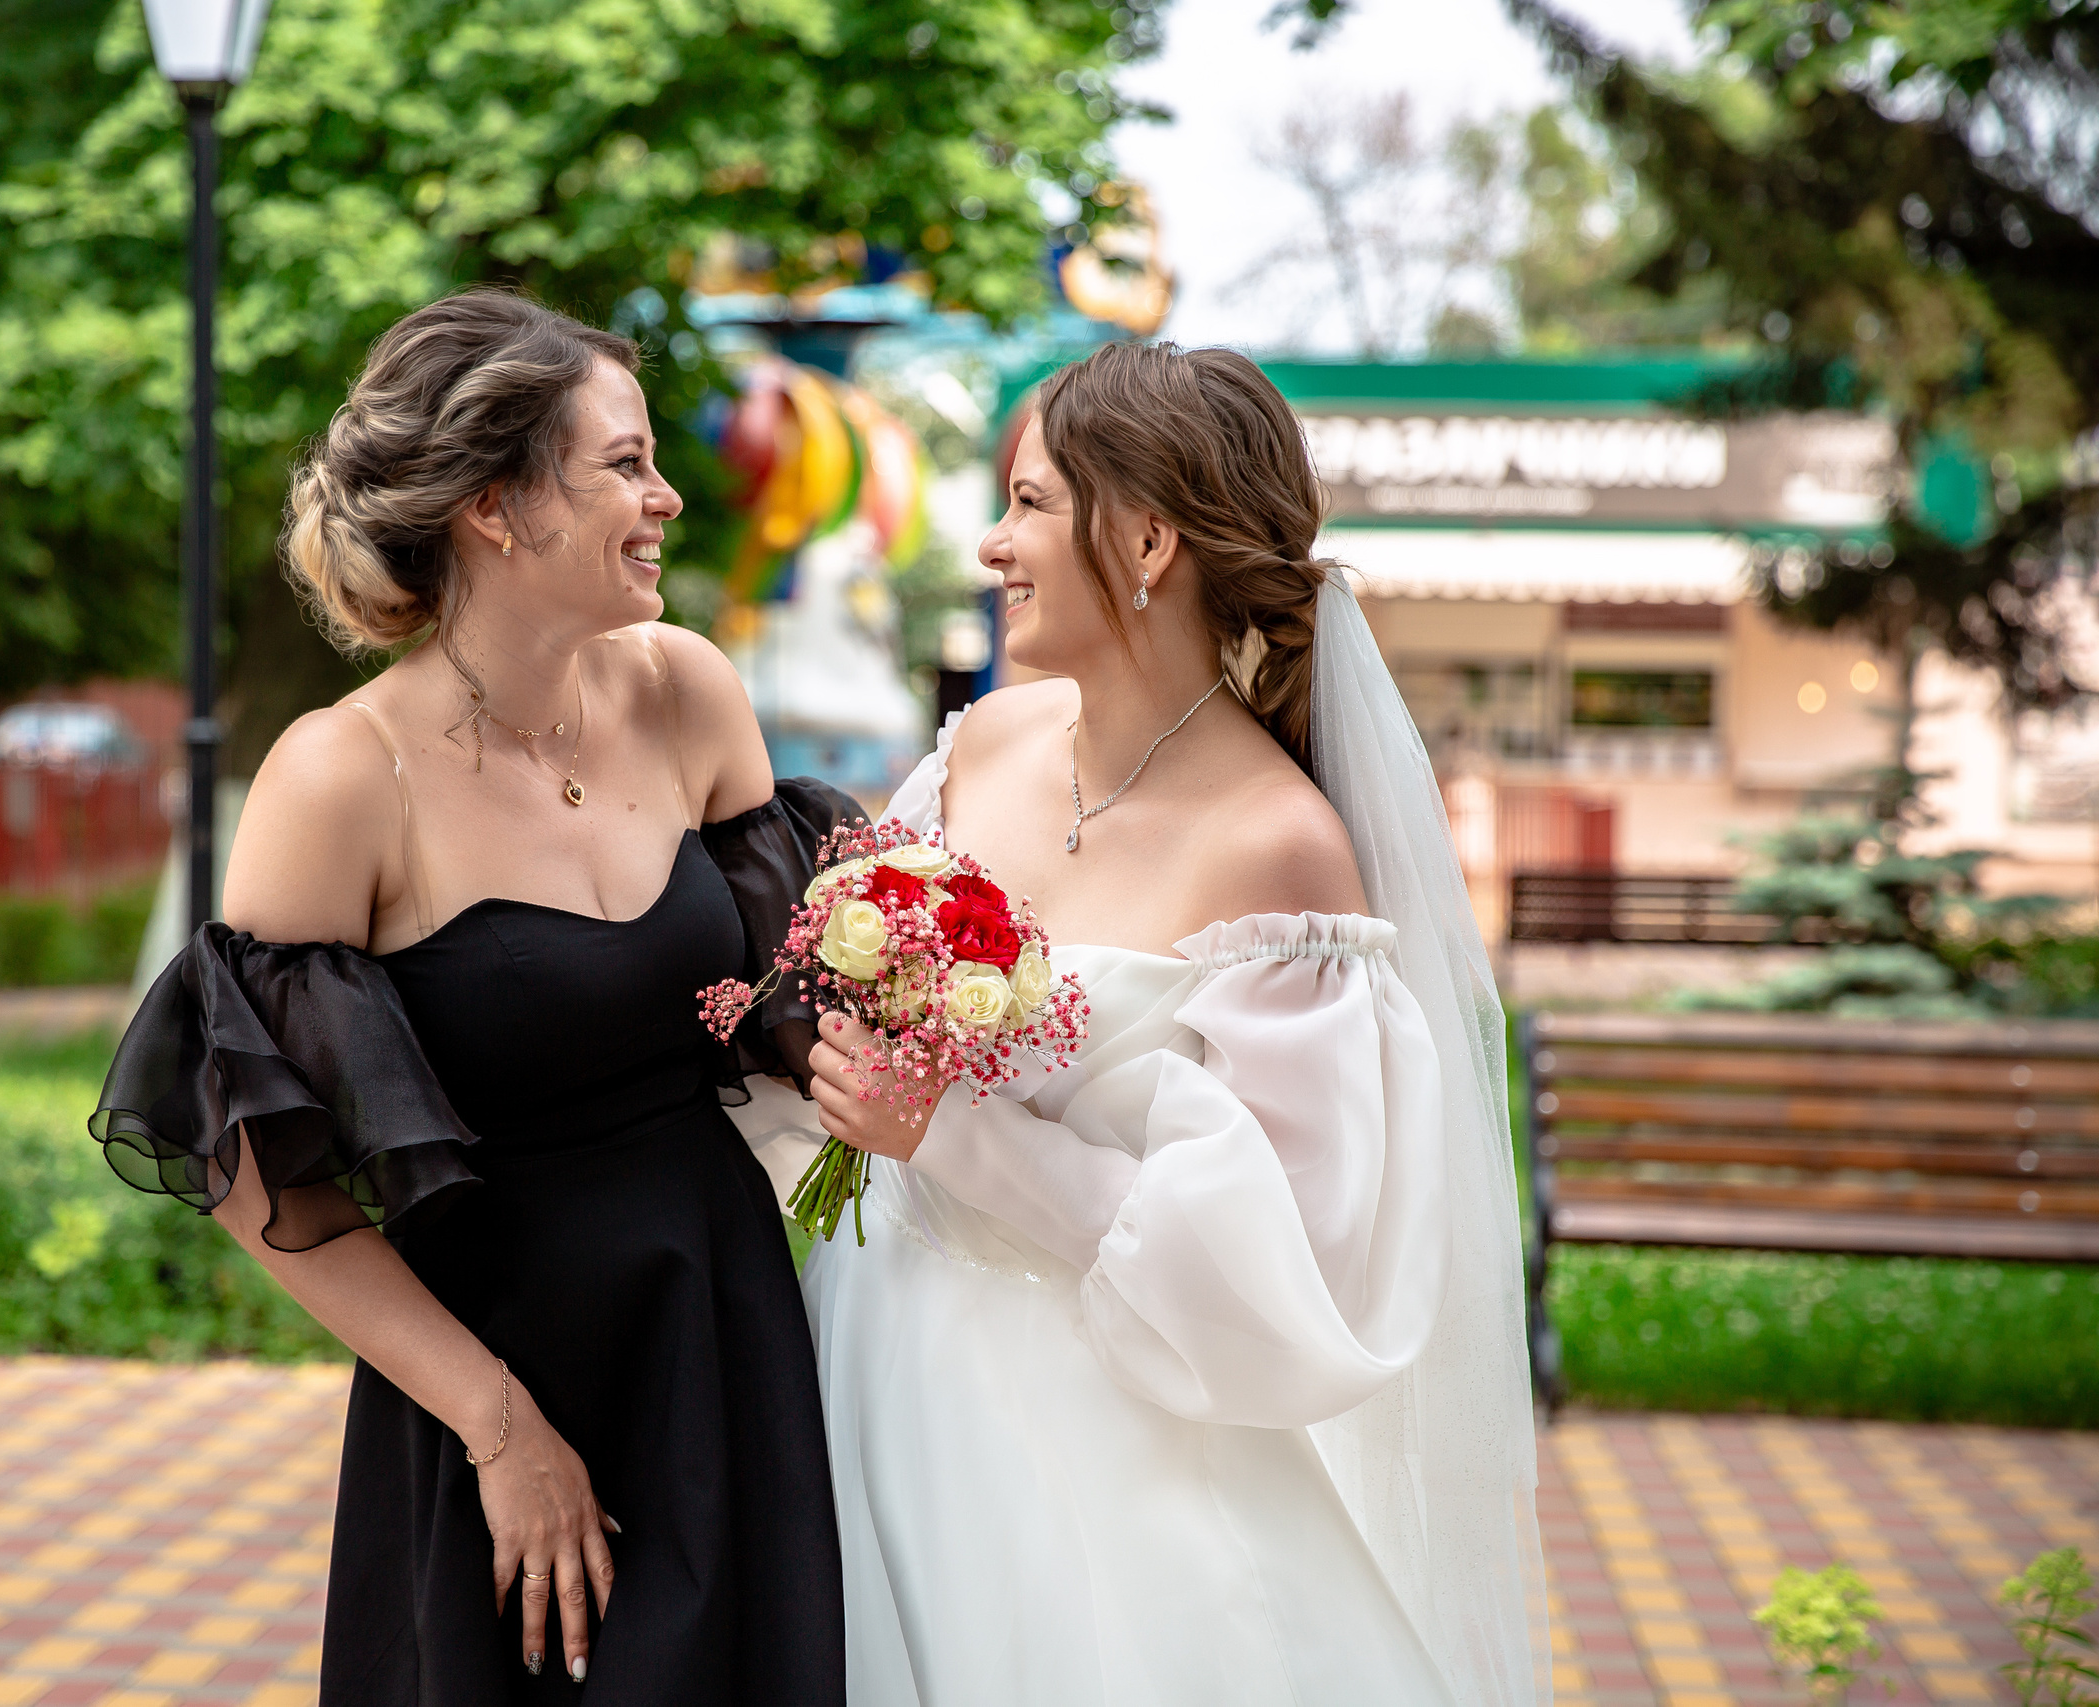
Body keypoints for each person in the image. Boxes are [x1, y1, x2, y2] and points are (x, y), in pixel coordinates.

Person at [91, 290, 849, 1706]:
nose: (666, 494)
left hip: (723, 1337)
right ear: (499, 507)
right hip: (492, 1380)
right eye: (624, 462)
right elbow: (273, 1189)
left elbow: (796, 1006)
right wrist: (502, 1430)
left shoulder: (689, 693)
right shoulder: (342, 777)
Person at [797, 342, 1548, 1705]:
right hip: (869, 1347)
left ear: (1145, 538)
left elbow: (1278, 1272)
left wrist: (955, 1137)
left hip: (1094, 1449)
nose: (990, 542)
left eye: (1029, 504)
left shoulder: (1280, 851)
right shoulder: (981, 749)